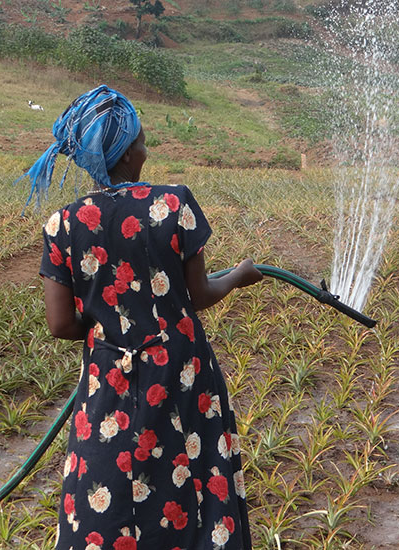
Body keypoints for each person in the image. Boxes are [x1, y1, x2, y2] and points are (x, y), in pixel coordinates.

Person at [20, 85, 262, 549]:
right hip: (183, 377)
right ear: (128, 152)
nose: (146, 148)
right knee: (193, 477)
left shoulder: (63, 225)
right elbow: (200, 293)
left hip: (109, 378)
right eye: (143, 140)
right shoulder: (172, 205)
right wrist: (238, 276)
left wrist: (114, 327)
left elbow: (61, 325)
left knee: (108, 476)